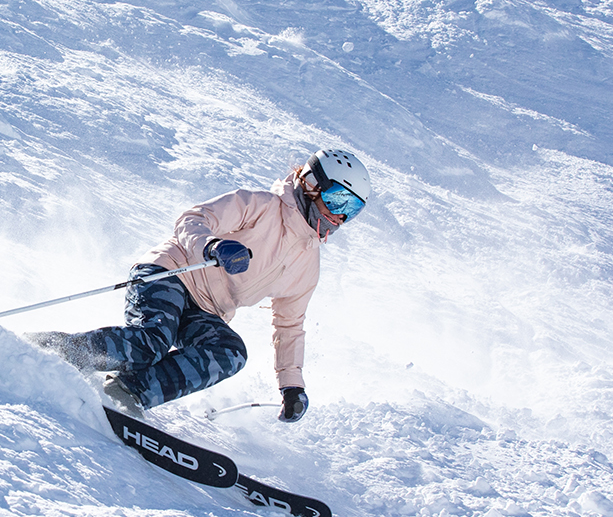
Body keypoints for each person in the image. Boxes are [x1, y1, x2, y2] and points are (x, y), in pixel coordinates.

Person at [29, 148, 371, 423]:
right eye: (340, 200)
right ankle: (55, 351)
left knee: (230, 352)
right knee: (152, 342)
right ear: (312, 184)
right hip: (172, 272)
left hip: (207, 309)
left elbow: (289, 325)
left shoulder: (307, 264)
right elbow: (193, 219)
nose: (340, 217)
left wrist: (292, 385)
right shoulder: (261, 206)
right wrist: (212, 246)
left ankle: (128, 391)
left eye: (352, 210)